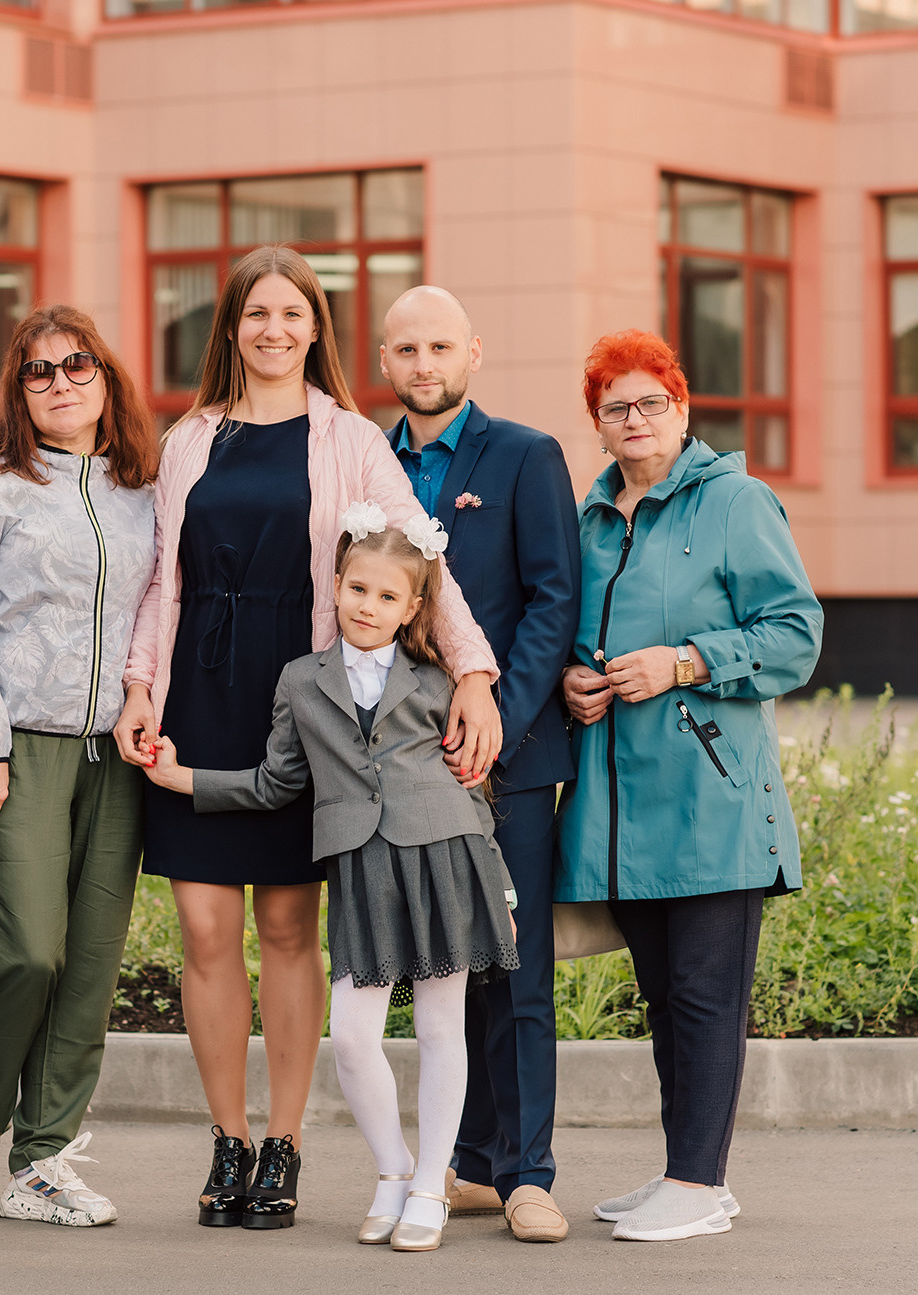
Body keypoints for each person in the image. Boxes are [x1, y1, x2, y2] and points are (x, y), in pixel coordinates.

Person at [114, 246, 504, 1231]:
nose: (274, 329)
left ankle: (284, 1142)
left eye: (293, 312)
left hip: (302, 704)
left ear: (314, 328)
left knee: (287, 927)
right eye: (257, 313)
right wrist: (138, 687)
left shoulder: (348, 437)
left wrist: (473, 670)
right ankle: (229, 1139)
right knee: (204, 930)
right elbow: (163, 576)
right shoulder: (189, 436)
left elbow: (421, 553)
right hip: (197, 688)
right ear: (232, 328)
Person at [143, 510, 520, 1253]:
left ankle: (429, 1185)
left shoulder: (441, 679)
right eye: (357, 588)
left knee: (443, 1026)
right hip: (363, 865)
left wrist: (495, 876)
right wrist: (182, 778)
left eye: (387, 597)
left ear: (414, 607)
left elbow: (475, 787)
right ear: (335, 585)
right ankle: (393, 1169)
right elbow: (277, 779)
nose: (367, 606)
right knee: (351, 1036)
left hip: (445, 852)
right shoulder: (302, 680)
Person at [555, 330, 822, 1243]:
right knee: (666, 997)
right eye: (615, 407)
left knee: (708, 996)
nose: (634, 420)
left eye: (650, 402)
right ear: (597, 423)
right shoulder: (591, 520)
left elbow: (795, 634)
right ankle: (685, 1171)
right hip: (621, 805)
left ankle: (698, 1183)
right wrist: (573, 681)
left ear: (681, 407)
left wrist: (687, 660)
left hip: (710, 795)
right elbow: (571, 636)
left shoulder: (736, 502)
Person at [0, 307, 158, 1228]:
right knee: (27, 952)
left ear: (108, 377)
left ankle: (42, 1161)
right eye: (40, 372)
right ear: (17, 392)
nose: (62, 382)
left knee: (92, 966)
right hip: (19, 747)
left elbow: (161, 606)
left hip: (119, 754)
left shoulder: (145, 486)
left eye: (79, 364)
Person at [377, 286, 581, 1243]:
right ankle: (466, 1162)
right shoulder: (367, 460)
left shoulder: (527, 456)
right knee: (445, 966)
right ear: (387, 360)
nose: (425, 364)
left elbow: (553, 599)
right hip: (404, 762)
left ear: (474, 353)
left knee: (518, 963)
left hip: (512, 752)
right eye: (408, 348)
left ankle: (529, 1172)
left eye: (440, 347)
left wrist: (497, 706)